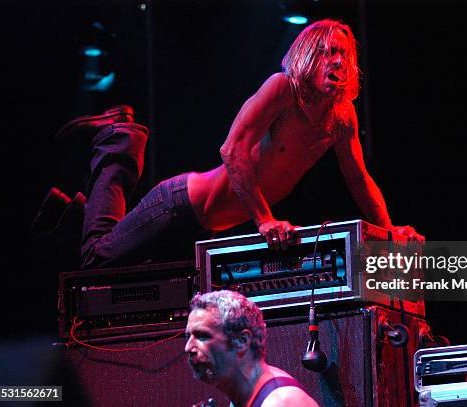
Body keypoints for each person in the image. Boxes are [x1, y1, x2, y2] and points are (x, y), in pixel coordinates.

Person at [55, 19, 424, 269]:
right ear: (308, 56)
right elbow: (232, 150)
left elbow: (359, 180)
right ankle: (121, 142)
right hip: (179, 205)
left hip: (204, 230)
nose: (338, 61)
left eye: (344, 54)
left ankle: (78, 213)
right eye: (329, 52)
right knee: (96, 259)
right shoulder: (283, 89)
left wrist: (389, 233)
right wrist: (264, 220)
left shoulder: (342, 118)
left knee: (124, 283)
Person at [185, 290, 319, 407]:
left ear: (242, 341)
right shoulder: (242, 396)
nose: (188, 348)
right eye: (188, 337)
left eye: (202, 336)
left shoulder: (281, 402)